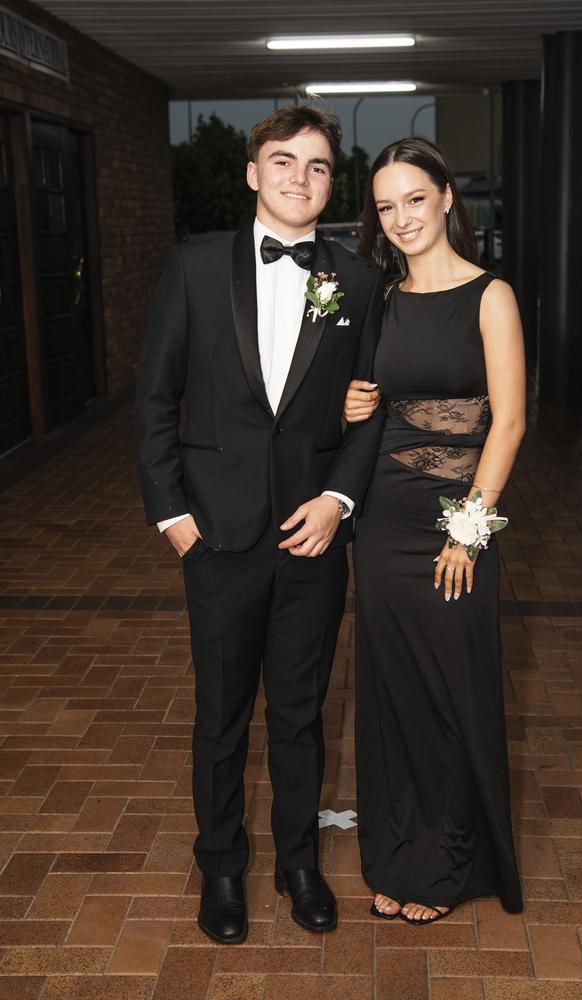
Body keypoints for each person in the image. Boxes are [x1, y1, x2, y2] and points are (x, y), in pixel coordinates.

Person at [135, 106, 384, 944]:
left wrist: (339, 500)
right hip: (216, 537)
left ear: (329, 183)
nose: (299, 178)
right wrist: (174, 517)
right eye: (284, 161)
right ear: (253, 173)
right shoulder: (196, 267)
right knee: (221, 716)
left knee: (302, 713)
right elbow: (156, 400)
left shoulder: (354, 279)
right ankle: (223, 869)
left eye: (317, 166)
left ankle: (300, 865)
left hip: (312, 540)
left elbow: (369, 413)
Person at [344, 137, 525, 923]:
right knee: (395, 691)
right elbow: (365, 402)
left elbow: (510, 422)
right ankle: (398, 851)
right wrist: (352, 402)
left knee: (453, 685)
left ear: (448, 197)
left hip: (458, 519)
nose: (402, 218)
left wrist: (470, 532)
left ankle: (453, 858)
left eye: (415, 199)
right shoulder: (379, 298)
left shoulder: (492, 295)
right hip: (383, 517)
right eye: (386, 206)